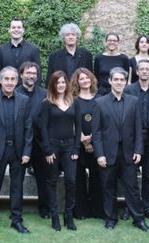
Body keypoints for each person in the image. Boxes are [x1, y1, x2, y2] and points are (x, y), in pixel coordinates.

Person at [92, 67, 149, 232]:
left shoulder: (133, 101)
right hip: (108, 154)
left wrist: (139, 151)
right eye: (116, 79)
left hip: (129, 154)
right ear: (110, 81)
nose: (119, 82)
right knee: (108, 188)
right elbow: (96, 133)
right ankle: (110, 219)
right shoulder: (99, 103)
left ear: (126, 82)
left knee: (132, 188)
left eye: (122, 80)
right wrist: (99, 154)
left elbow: (139, 129)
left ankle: (138, 219)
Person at [0, 67, 33, 233]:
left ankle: (16, 220)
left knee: (17, 187)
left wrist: (26, 152)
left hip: (18, 151)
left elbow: (28, 128)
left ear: (17, 81)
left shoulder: (24, 100)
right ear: (0, 80)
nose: (10, 82)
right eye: (6, 79)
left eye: (13, 79)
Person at [123, 59, 149, 221]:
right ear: (137, 72)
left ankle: (147, 207)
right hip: (133, 139)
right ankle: (129, 207)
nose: (145, 71)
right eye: (142, 69)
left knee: (148, 175)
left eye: (148, 69)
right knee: (130, 176)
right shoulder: (128, 90)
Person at [39, 71, 80, 231]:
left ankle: (68, 216)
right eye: (58, 83)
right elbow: (43, 128)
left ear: (67, 84)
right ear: (53, 85)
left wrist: (77, 147)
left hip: (70, 146)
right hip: (53, 147)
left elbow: (79, 126)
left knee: (71, 181)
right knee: (51, 181)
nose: (61, 85)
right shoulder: (47, 103)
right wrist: (48, 150)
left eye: (63, 82)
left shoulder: (74, 102)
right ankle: (54, 216)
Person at [15, 62, 49, 219]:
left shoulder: (44, 94)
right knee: (17, 178)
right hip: (19, 143)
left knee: (43, 178)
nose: (31, 76)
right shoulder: (14, 93)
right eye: (28, 73)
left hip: (39, 143)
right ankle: (16, 209)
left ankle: (44, 208)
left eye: (34, 73)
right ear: (21, 75)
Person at [72, 68, 104, 219]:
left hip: (97, 143)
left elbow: (105, 121)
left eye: (87, 78)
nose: (85, 81)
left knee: (97, 178)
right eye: (81, 79)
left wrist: (92, 138)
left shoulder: (100, 98)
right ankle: (81, 211)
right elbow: (70, 122)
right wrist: (82, 138)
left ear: (92, 79)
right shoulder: (72, 100)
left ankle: (97, 210)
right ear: (77, 82)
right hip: (78, 144)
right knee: (78, 178)